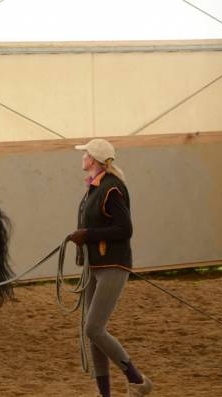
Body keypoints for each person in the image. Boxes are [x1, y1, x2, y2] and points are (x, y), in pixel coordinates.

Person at [68, 138, 153, 397]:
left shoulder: (112, 188)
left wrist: (88, 234)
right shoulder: (94, 188)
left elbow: (125, 229)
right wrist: (82, 237)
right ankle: (105, 394)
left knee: (93, 328)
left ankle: (138, 381)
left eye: (85, 154)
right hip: (96, 266)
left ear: (93, 159)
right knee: (93, 332)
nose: (82, 158)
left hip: (113, 266)